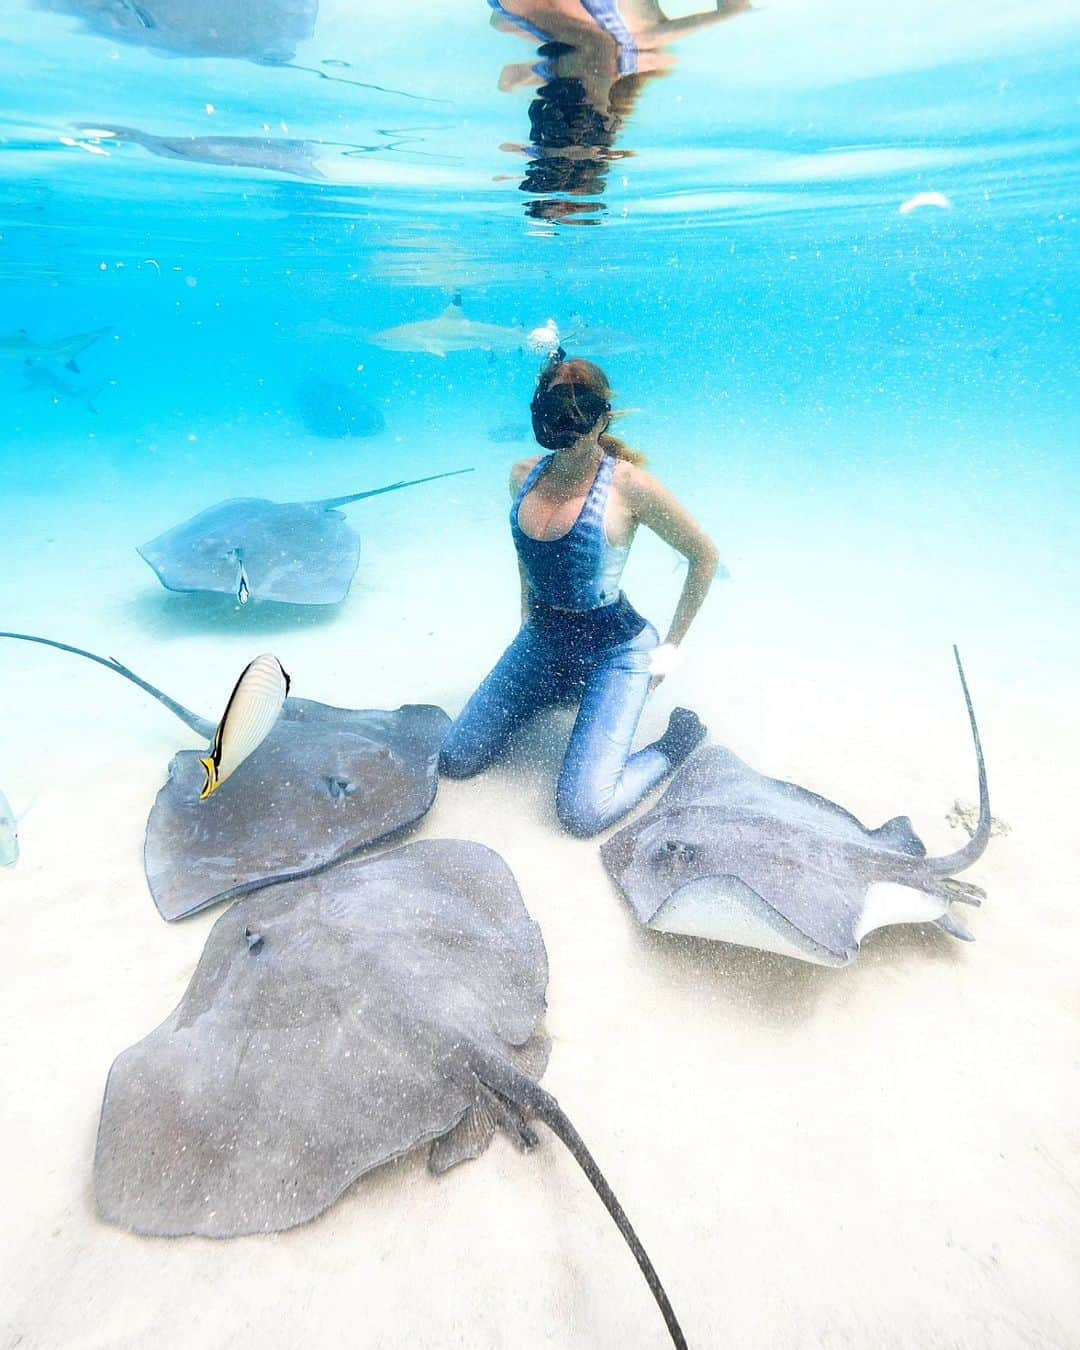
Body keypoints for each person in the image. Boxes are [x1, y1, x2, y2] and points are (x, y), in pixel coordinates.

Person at [440, 353, 720, 837]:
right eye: (554, 410)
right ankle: (560, 683)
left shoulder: (630, 486)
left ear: (600, 418)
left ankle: (676, 743)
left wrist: (670, 650)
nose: (565, 424)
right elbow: (527, 559)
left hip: (618, 650)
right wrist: (525, 622)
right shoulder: (522, 475)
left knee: (582, 812)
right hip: (543, 639)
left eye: (577, 412)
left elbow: (704, 556)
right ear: (539, 413)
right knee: (456, 759)